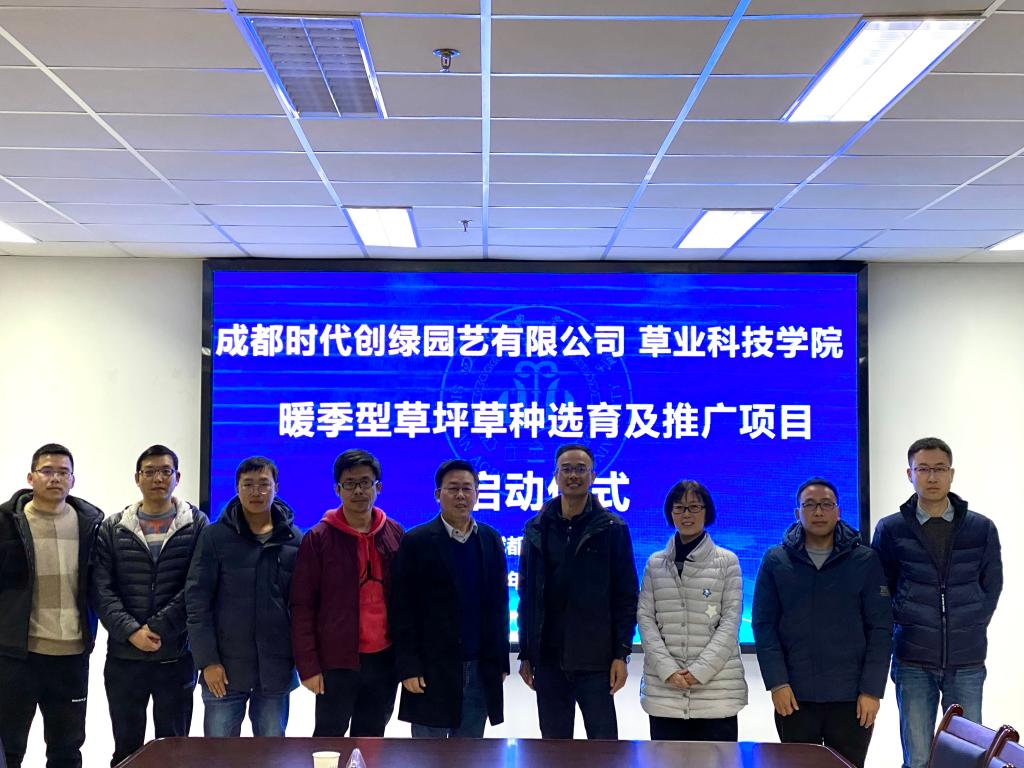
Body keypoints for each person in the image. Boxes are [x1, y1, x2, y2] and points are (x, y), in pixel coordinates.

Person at [872, 437, 1003, 768]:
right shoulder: (891, 529)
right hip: (913, 659)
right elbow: (880, 588)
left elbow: (992, 585)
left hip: (967, 660)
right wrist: (904, 619)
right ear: (910, 474)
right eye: (923, 469)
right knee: (917, 758)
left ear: (951, 474)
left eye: (940, 469)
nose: (932, 477)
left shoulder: (981, 528)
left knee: (967, 757)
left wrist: (971, 621)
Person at [752, 477, 892, 768]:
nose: (818, 512)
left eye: (826, 504)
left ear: (838, 511)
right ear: (797, 513)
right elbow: (764, 626)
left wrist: (872, 690)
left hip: (852, 698)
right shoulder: (776, 560)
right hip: (794, 696)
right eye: (810, 505)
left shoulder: (864, 560)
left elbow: (880, 629)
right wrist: (777, 683)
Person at [91, 445, 208, 766]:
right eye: (150, 472)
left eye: (165, 471)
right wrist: (132, 631)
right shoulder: (113, 527)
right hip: (124, 657)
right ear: (137, 478)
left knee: (174, 749)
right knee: (126, 749)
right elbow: (101, 589)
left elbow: (196, 585)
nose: (158, 478)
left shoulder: (196, 524)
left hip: (175, 655)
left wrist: (156, 628)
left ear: (177, 477)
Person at [517, 443, 638, 740]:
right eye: (567, 469)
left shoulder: (612, 528)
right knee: (553, 748)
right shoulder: (536, 528)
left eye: (581, 469)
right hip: (548, 659)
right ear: (555, 476)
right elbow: (527, 596)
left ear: (593, 476)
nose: (574, 475)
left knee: (604, 746)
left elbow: (626, 596)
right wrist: (526, 653)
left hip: (596, 660)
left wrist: (621, 654)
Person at [0, 443, 104, 768]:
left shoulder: (91, 525)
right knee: (9, 748)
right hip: (18, 656)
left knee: (66, 751)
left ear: (73, 480)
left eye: (63, 472)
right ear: (31, 477)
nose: (55, 478)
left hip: (71, 655)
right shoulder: (6, 523)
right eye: (47, 471)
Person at [389, 459, 509, 738]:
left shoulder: (490, 539)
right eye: (453, 488)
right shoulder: (416, 541)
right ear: (437, 494)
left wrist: (500, 661)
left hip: (479, 667)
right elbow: (402, 609)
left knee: (469, 752)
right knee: (428, 753)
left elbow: (499, 606)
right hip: (431, 668)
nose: (460, 495)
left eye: (467, 488)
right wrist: (408, 666)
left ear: (477, 493)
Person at [290, 449, 404, 736]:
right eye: (350, 484)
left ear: (378, 487)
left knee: (372, 739)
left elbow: (407, 602)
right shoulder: (318, 538)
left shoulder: (394, 533)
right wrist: (308, 666)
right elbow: (302, 606)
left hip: (384, 659)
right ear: (337, 489)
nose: (358, 491)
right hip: (336, 660)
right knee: (329, 739)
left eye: (365, 482)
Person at [185, 456, 302, 737]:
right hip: (224, 671)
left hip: (275, 671)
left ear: (276, 487)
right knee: (220, 754)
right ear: (237, 488)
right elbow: (197, 602)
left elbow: (301, 607)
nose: (256, 492)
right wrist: (207, 661)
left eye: (264, 484)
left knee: (271, 753)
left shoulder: (293, 539)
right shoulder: (214, 537)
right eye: (248, 484)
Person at [637, 480, 747, 741]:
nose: (686, 514)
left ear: (707, 511)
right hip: (665, 692)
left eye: (694, 507)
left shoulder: (727, 562)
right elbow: (645, 619)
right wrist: (668, 670)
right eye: (679, 508)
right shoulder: (655, 564)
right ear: (670, 513)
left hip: (717, 693)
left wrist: (699, 671)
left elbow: (731, 622)